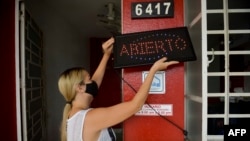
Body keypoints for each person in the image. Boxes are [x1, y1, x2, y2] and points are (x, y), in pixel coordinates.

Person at [58, 37, 179, 141]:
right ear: (80, 88)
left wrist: (106, 55)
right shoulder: (90, 118)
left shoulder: (72, 115)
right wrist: (153, 70)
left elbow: (95, 81)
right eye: (88, 79)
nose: (93, 82)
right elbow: (135, 105)